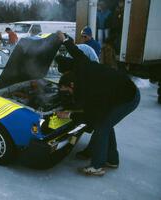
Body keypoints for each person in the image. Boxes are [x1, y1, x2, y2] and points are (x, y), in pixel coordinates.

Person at [56, 32, 140, 176]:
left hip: (128, 97)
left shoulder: (88, 88)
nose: (66, 93)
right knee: (107, 124)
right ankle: (112, 160)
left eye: (66, 90)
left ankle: (97, 166)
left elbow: (90, 116)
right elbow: (76, 52)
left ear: (71, 83)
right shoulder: (82, 65)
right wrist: (64, 40)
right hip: (121, 91)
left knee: (101, 126)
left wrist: (69, 114)